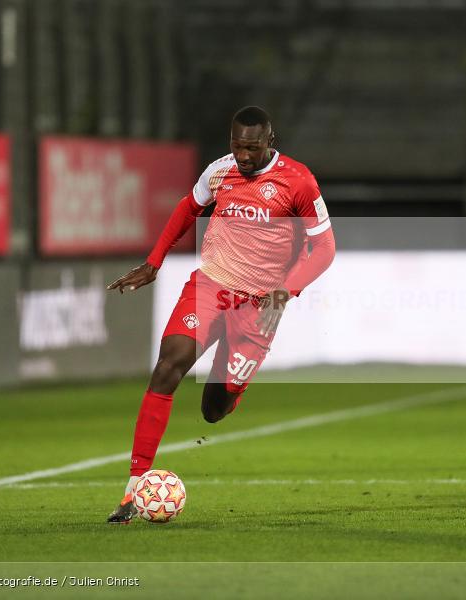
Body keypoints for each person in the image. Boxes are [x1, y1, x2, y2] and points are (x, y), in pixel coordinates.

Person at [105, 106, 336, 523]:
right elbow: (185, 210)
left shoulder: (299, 182)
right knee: (167, 368)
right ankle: (133, 486)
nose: (243, 156)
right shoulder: (218, 172)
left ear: (270, 142)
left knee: (214, 409)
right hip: (210, 286)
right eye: (236, 146)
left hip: (259, 304)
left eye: (252, 148)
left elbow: (324, 248)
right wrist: (154, 262)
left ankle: (231, 377)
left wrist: (286, 291)